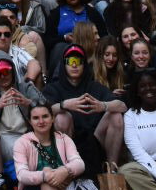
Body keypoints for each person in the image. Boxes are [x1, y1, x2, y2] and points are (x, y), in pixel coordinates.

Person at [14, 100, 85, 190]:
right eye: (36, 118)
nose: (41, 121)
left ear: (52, 118)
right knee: (48, 180)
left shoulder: (64, 139)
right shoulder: (22, 142)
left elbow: (80, 164)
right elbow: (21, 174)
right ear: (30, 121)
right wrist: (44, 175)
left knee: (64, 178)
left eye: (45, 116)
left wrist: (64, 171)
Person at [45, 43, 126, 173]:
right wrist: (64, 105)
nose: (74, 65)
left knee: (115, 115)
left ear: (84, 64)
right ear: (64, 64)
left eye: (78, 61)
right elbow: (43, 111)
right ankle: (64, 170)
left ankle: (111, 171)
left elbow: (122, 106)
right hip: (70, 140)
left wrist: (103, 106)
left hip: (96, 141)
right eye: (70, 61)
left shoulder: (95, 87)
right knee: (62, 117)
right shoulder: (53, 88)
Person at [0, 57, 41, 175]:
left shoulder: (24, 87)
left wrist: (28, 102)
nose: (3, 76)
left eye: (6, 72)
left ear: (12, 72)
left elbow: (44, 103)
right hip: (2, 138)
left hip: (27, 134)